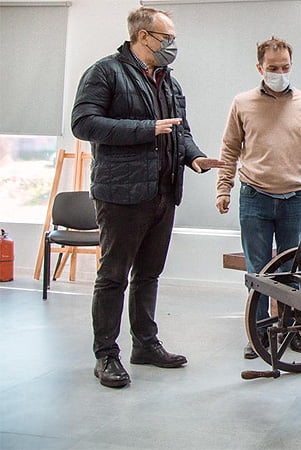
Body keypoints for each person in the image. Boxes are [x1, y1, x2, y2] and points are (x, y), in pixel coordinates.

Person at [72, 7, 227, 388]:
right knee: (113, 277)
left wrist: (194, 157)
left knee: (149, 275)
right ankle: (106, 355)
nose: (172, 45)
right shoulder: (105, 72)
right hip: (121, 194)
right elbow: (84, 123)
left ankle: (145, 344)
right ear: (143, 37)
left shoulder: (169, 82)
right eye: (167, 38)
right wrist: (146, 129)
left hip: (162, 192)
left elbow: (180, 131)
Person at [215, 36, 301, 359]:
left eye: (285, 67)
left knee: (291, 270)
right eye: (273, 68)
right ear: (260, 67)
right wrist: (223, 188)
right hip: (254, 197)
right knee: (259, 273)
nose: (279, 72)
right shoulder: (242, 103)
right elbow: (229, 150)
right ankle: (258, 334)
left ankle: (292, 331)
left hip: (294, 200)